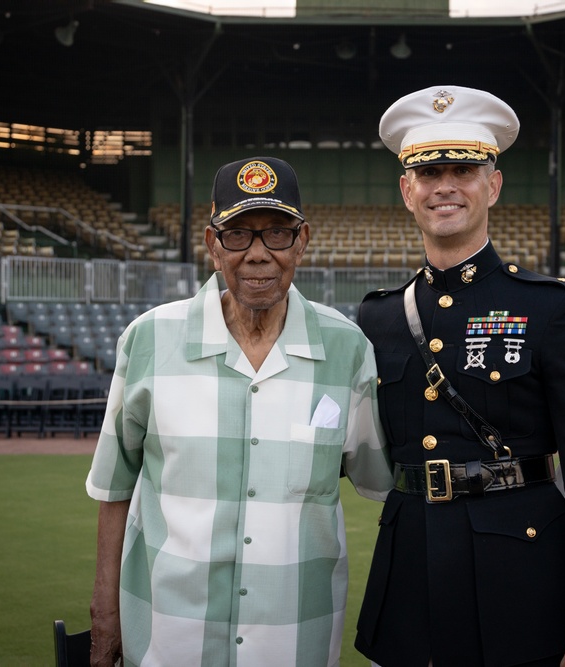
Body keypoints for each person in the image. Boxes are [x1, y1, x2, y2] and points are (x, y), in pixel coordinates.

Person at [353, 86, 565, 666]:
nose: (445, 185)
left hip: (521, 587)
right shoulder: (378, 315)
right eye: (428, 172)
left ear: (494, 186)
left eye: (464, 169)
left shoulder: (553, 309)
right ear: (407, 190)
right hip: (407, 586)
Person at [85, 156, 393, 667]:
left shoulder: (347, 349)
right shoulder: (148, 339)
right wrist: (104, 613)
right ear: (212, 245)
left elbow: (381, 482)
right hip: (168, 637)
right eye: (237, 234)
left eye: (276, 233)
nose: (256, 255)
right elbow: (114, 487)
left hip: (296, 639)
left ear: (302, 242)